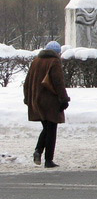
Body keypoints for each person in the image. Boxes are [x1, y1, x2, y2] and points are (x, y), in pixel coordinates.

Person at [23, 40, 70, 168]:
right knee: (52, 129)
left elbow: (27, 82)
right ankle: (48, 160)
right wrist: (64, 99)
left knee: (47, 128)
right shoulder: (54, 62)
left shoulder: (36, 61)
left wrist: (27, 98)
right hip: (50, 101)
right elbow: (58, 82)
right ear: (57, 53)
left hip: (36, 100)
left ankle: (38, 151)